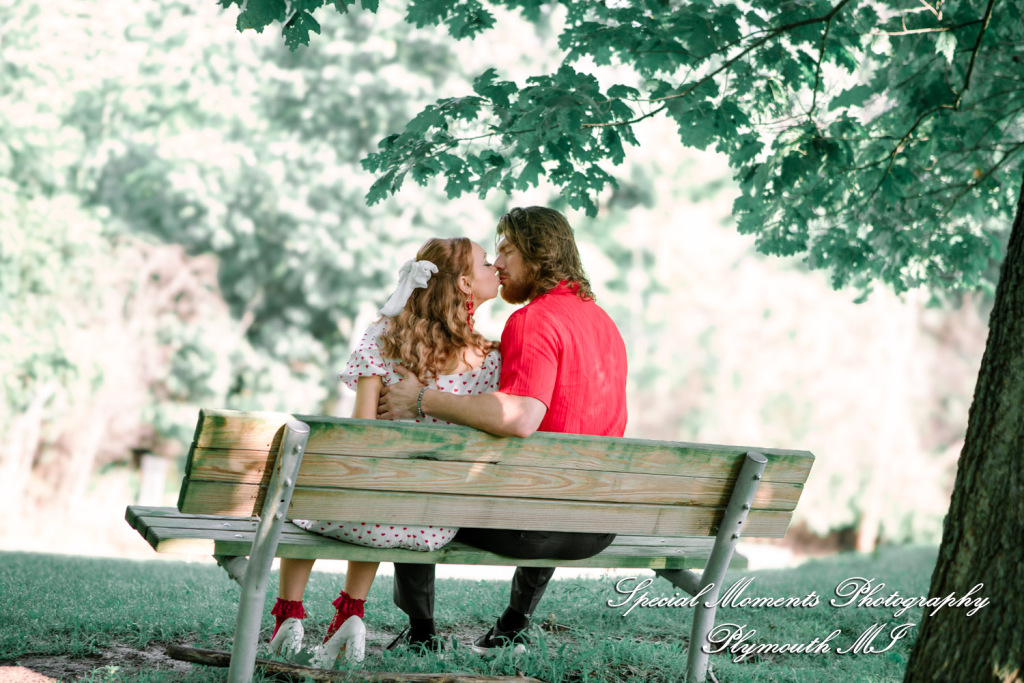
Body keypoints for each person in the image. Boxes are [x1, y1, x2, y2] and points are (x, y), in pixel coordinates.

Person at [377, 206, 628, 653]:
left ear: (538, 255)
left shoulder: (533, 320)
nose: (498, 264)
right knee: (555, 478)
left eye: (508, 251)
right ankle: (511, 626)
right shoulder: (605, 324)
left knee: (416, 486)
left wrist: (421, 400)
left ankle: (421, 633)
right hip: (597, 523)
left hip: (533, 525)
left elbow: (520, 415)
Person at [268, 236, 502, 666]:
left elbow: (363, 438)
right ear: (466, 284)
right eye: (488, 263)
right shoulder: (490, 359)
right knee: (387, 501)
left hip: (367, 509)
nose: (497, 268)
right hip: (431, 525)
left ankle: (291, 613)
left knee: (311, 492)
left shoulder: (386, 338)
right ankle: (349, 612)